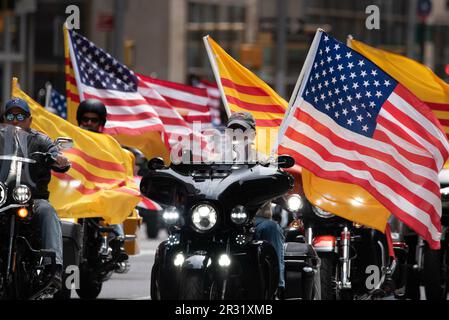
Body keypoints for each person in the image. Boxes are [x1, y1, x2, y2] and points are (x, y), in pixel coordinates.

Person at [2, 97, 71, 290]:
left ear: (29, 120)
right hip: (2, 198)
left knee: (48, 212)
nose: (15, 120)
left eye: (20, 115)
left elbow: (53, 150)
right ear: (4, 118)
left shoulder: (39, 139)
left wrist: (58, 158)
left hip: (32, 199)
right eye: (10, 115)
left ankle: (54, 268)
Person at [226, 112, 286, 298]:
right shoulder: (214, 160)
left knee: (271, 228)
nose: (236, 134)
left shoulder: (265, 162)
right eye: (232, 130)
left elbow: (279, 183)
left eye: (242, 130)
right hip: (221, 220)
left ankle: (277, 287)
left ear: (252, 135)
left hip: (255, 219)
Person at [76, 99, 129, 272]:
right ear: (79, 120)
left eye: (94, 120)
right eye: (85, 119)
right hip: (75, 189)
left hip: (100, 189)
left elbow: (119, 164)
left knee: (114, 199)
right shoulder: (71, 139)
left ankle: (118, 242)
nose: (89, 123)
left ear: (101, 123)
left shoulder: (108, 144)